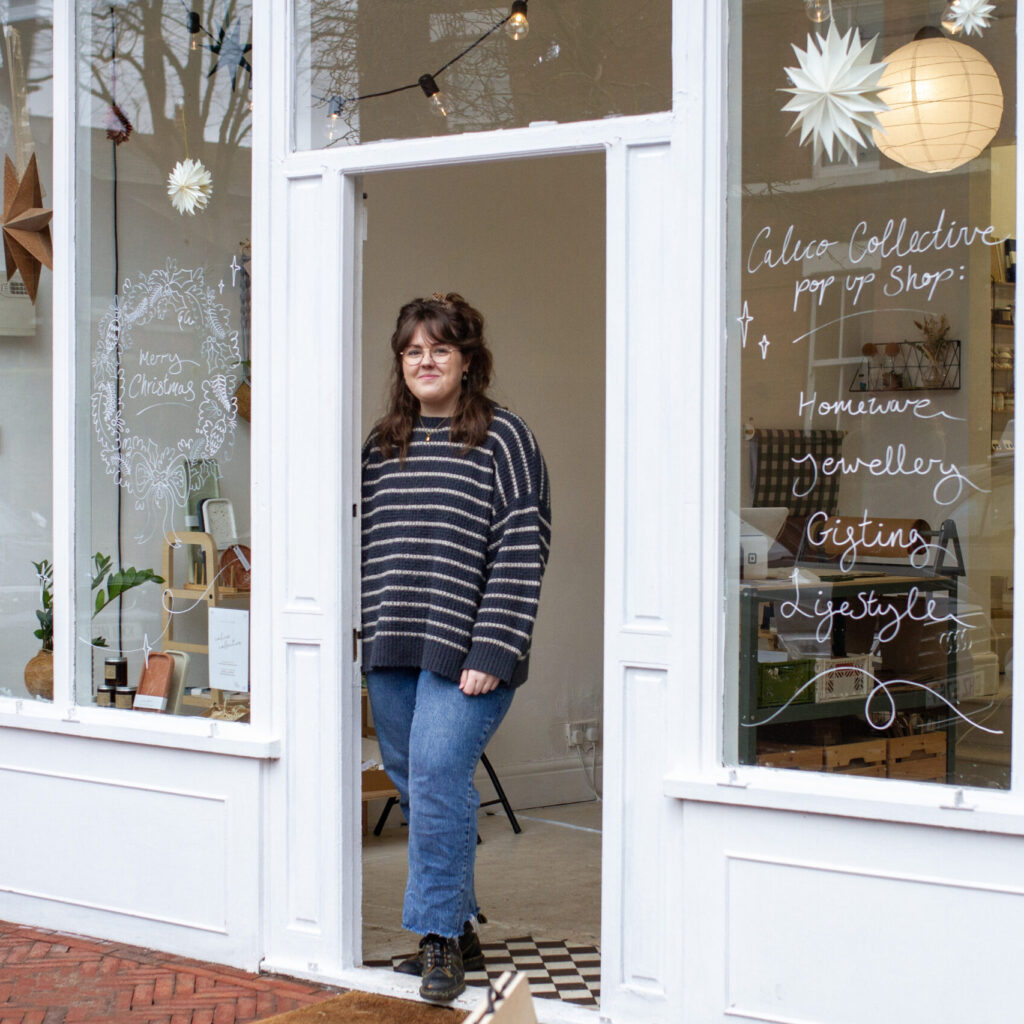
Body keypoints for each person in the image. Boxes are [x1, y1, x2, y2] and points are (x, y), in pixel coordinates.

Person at [361, 292, 552, 1004]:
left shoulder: (504, 439)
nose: (426, 361)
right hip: (392, 647)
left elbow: (522, 548)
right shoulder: (383, 445)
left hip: (471, 650)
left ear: (467, 361)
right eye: (413, 351)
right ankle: (460, 922)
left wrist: (494, 650)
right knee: (419, 789)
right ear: (401, 362)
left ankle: (437, 940)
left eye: (440, 349)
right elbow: (365, 549)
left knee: (440, 775)